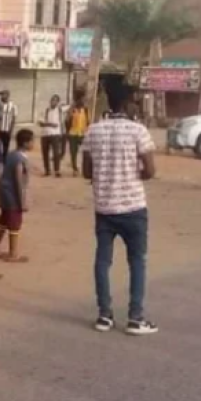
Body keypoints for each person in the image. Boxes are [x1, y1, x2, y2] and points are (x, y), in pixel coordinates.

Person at [83, 84, 158, 335]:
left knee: (102, 261)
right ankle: (136, 318)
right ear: (127, 105)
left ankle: (104, 315)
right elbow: (150, 170)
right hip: (133, 207)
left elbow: (86, 171)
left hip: (104, 206)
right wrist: (130, 172)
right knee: (137, 261)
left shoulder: (93, 131)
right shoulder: (139, 131)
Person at [0, 128, 34, 263]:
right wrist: (22, 202)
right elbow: (19, 181)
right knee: (14, 224)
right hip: (13, 196)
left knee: (3, 222)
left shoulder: (11, 154)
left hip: (5, 194)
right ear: (26, 143)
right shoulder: (20, 159)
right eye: (32, 141)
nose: (33, 144)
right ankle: (13, 253)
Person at [39, 94, 65, 177]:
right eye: (52, 100)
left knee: (56, 153)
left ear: (58, 102)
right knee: (45, 152)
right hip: (45, 134)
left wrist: (46, 123)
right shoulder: (46, 109)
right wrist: (50, 124)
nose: (53, 102)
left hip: (55, 134)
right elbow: (40, 122)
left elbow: (57, 125)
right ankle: (47, 170)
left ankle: (57, 170)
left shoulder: (59, 110)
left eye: (55, 100)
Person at [66, 91, 91, 176]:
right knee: (73, 152)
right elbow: (67, 121)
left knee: (86, 152)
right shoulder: (72, 109)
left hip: (83, 133)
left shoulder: (86, 109)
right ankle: (75, 169)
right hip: (73, 133)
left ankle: (85, 168)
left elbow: (88, 121)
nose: (83, 101)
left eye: (84, 100)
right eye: (82, 99)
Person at [0, 90, 18, 156]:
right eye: (1, 95)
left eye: (3, 95)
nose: (1, 96)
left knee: (5, 147)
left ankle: (4, 161)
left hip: (7, 130)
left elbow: (14, 119)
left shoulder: (13, 105)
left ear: (7, 95)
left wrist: (11, 130)